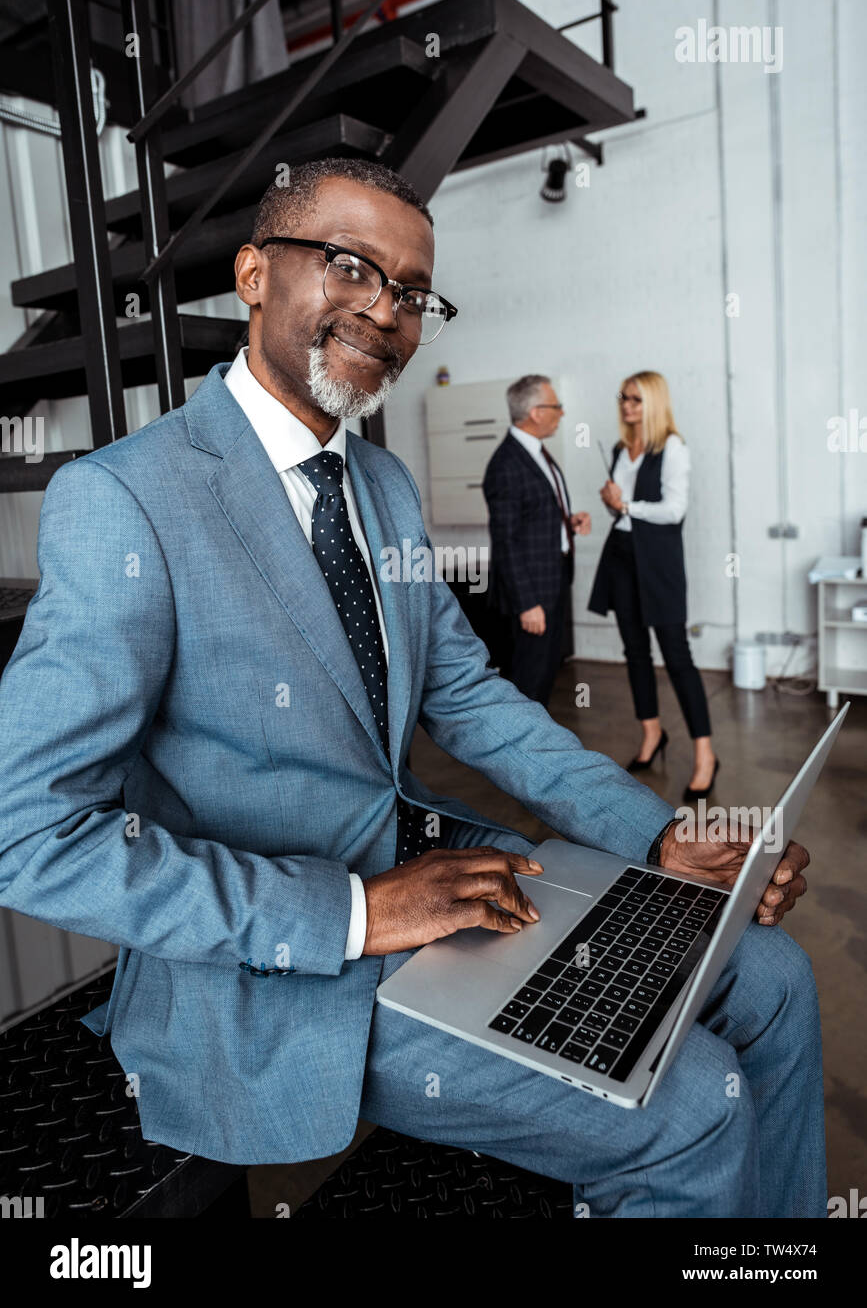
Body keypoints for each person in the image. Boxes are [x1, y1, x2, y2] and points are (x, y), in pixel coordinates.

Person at [0, 161, 822, 1216]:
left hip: (439, 880)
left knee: (779, 976)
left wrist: (653, 838)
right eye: (349, 265)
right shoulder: (125, 502)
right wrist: (351, 911)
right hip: (275, 966)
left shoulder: (379, 487)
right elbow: (26, 829)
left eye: (413, 290)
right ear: (254, 273)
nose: (386, 309)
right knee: (695, 1101)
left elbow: (469, 697)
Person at [588, 371, 718, 800]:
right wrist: (614, 505)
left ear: (654, 404)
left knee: (677, 656)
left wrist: (624, 503)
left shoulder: (673, 447)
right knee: (635, 652)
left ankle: (705, 754)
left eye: (637, 400)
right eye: (624, 397)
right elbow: (624, 516)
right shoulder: (621, 450)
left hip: (658, 563)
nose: (627, 406)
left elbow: (673, 510)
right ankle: (651, 734)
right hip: (623, 556)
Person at [483, 374, 592, 705]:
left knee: (544, 677)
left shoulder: (536, 454)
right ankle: (518, 753)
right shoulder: (506, 464)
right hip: (532, 595)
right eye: (556, 406)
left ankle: (535, 749)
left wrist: (567, 523)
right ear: (535, 412)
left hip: (553, 581)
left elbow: (533, 517)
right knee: (528, 684)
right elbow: (506, 542)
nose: (562, 413)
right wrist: (527, 603)